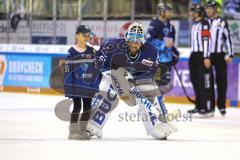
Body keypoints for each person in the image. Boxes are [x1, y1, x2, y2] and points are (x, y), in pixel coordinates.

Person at [83, 22, 177, 140]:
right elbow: (97, 64)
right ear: (126, 38)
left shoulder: (151, 52)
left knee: (152, 90)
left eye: (137, 41)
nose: (134, 43)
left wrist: (135, 81)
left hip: (135, 81)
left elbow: (151, 75)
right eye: (131, 39)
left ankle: (157, 124)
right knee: (107, 90)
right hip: (112, 77)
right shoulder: (111, 45)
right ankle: (92, 123)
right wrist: (114, 74)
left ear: (142, 41)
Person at [64, 25, 101, 139]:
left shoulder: (92, 51)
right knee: (77, 106)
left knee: (87, 107)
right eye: (83, 35)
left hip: (88, 86)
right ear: (77, 35)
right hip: (76, 87)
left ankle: (82, 130)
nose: (86, 37)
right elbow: (68, 72)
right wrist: (69, 89)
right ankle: (73, 131)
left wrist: (95, 86)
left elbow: (95, 70)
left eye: (88, 35)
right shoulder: (71, 52)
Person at [204, 0, 234, 116]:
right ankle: (210, 106)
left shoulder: (222, 22)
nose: (208, 10)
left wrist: (230, 54)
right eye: (206, 8)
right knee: (208, 81)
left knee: (222, 81)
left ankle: (221, 106)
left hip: (220, 55)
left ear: (215, 9)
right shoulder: (204, 22)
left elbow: (228, 38)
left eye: (210, 8)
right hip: (207, 55)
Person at [187, 4, 215, 117]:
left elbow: (206, 41)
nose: (193, 13)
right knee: (195, 81)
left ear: (199, 12)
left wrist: (207, 56)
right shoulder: (194, 24)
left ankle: (205, 107)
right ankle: (198, 106)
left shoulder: (204, 24)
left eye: (195, 11)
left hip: (202, 55)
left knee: (203, 82)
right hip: (193, 54)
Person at [146, 3, 179, 94]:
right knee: (155, 84)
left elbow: (171, 44)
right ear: (161, 12)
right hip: (157, 60)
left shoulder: (171, 27)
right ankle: (148, 106)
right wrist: (163, 45)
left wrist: (175, 54)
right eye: (167, 11)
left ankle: (158, 105)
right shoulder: (155, 24)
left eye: (170, 11)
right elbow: (148, 40)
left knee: (166, 85)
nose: (170, 13)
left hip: (167, 61)